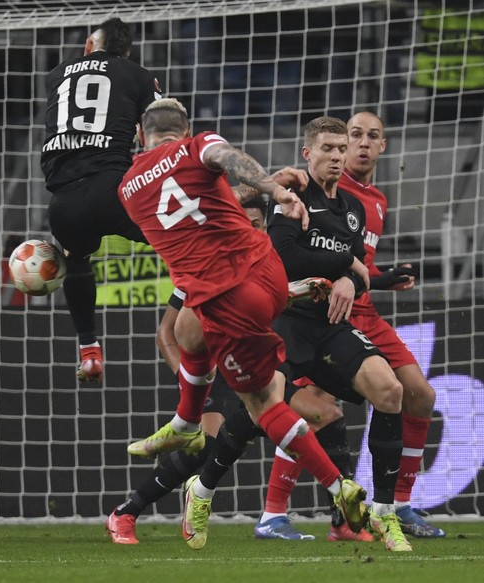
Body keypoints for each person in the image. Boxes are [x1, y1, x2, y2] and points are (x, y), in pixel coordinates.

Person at [117, 98, 366, 552]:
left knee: (260, 405)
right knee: (235, 388)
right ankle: (180, 457)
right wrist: (275, 187)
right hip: (268, 277)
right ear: (185, 127)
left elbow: (188, 205)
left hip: (228, 300)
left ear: (139, 134)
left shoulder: (129, 190)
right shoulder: (198, 147)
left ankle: (331, 487)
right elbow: (228, 161)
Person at [107, 198, 349, 544]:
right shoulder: (205, 265)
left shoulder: (267, 264)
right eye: (244, 222)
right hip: (216, 373)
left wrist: (298, 290)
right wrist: (191, 384)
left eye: (257, 223)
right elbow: (167, 334)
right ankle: (126, 512)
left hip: (253, 366)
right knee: (203, 446)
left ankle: (317, 519)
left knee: (323, 414)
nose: (251, 229)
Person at [272, 112, 444, 538]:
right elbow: (297, 252)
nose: (360, 145)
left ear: (382, 146)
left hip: (361, 307)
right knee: (315, 406)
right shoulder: (310, 187)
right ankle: (278, 510)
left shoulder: (373, 202)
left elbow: (358, 266)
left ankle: (399, 505)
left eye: (372, 137)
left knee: (417, 395)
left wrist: (382, 277)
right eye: (353, 136)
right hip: (316, 310)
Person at [41, 17, 162, 383]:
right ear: (125, 52)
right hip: (113, 190)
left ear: (89, 46)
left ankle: (89, 348)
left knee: (77, 257)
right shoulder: (137, 75)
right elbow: (156, 130)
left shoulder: (56, 74)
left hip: (62, 202)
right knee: (184, 237)